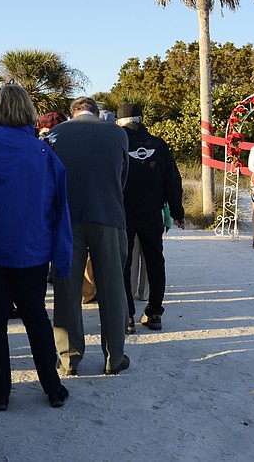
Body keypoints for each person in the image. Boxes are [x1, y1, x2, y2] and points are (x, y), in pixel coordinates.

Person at [0, 81, 72, 411]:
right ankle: (52, 387)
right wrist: (62, 258)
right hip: (32, 251)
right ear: (28, 111)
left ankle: (1, 392)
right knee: (35, 317)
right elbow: (59, 209)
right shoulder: (44, 154)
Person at [48, 96, 131, 376]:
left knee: (67, 290)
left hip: (67, 220)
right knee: (112, 289)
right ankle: (114, 357)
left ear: (73, 113)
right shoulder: (117, 133)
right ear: (96, 112)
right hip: (108, 215)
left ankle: (69, 359)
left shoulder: (55, 134)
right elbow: (122, 178)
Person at [116, 103, 185, 333]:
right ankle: (155, 313)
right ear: (141, 120)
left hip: (123, 213)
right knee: (155, 262)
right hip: (152, 213)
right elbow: (172, 181)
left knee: (123, 265)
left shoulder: (117, 144)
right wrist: (177, 213)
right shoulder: (159, 144)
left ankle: (127, 316)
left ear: (119, 122)